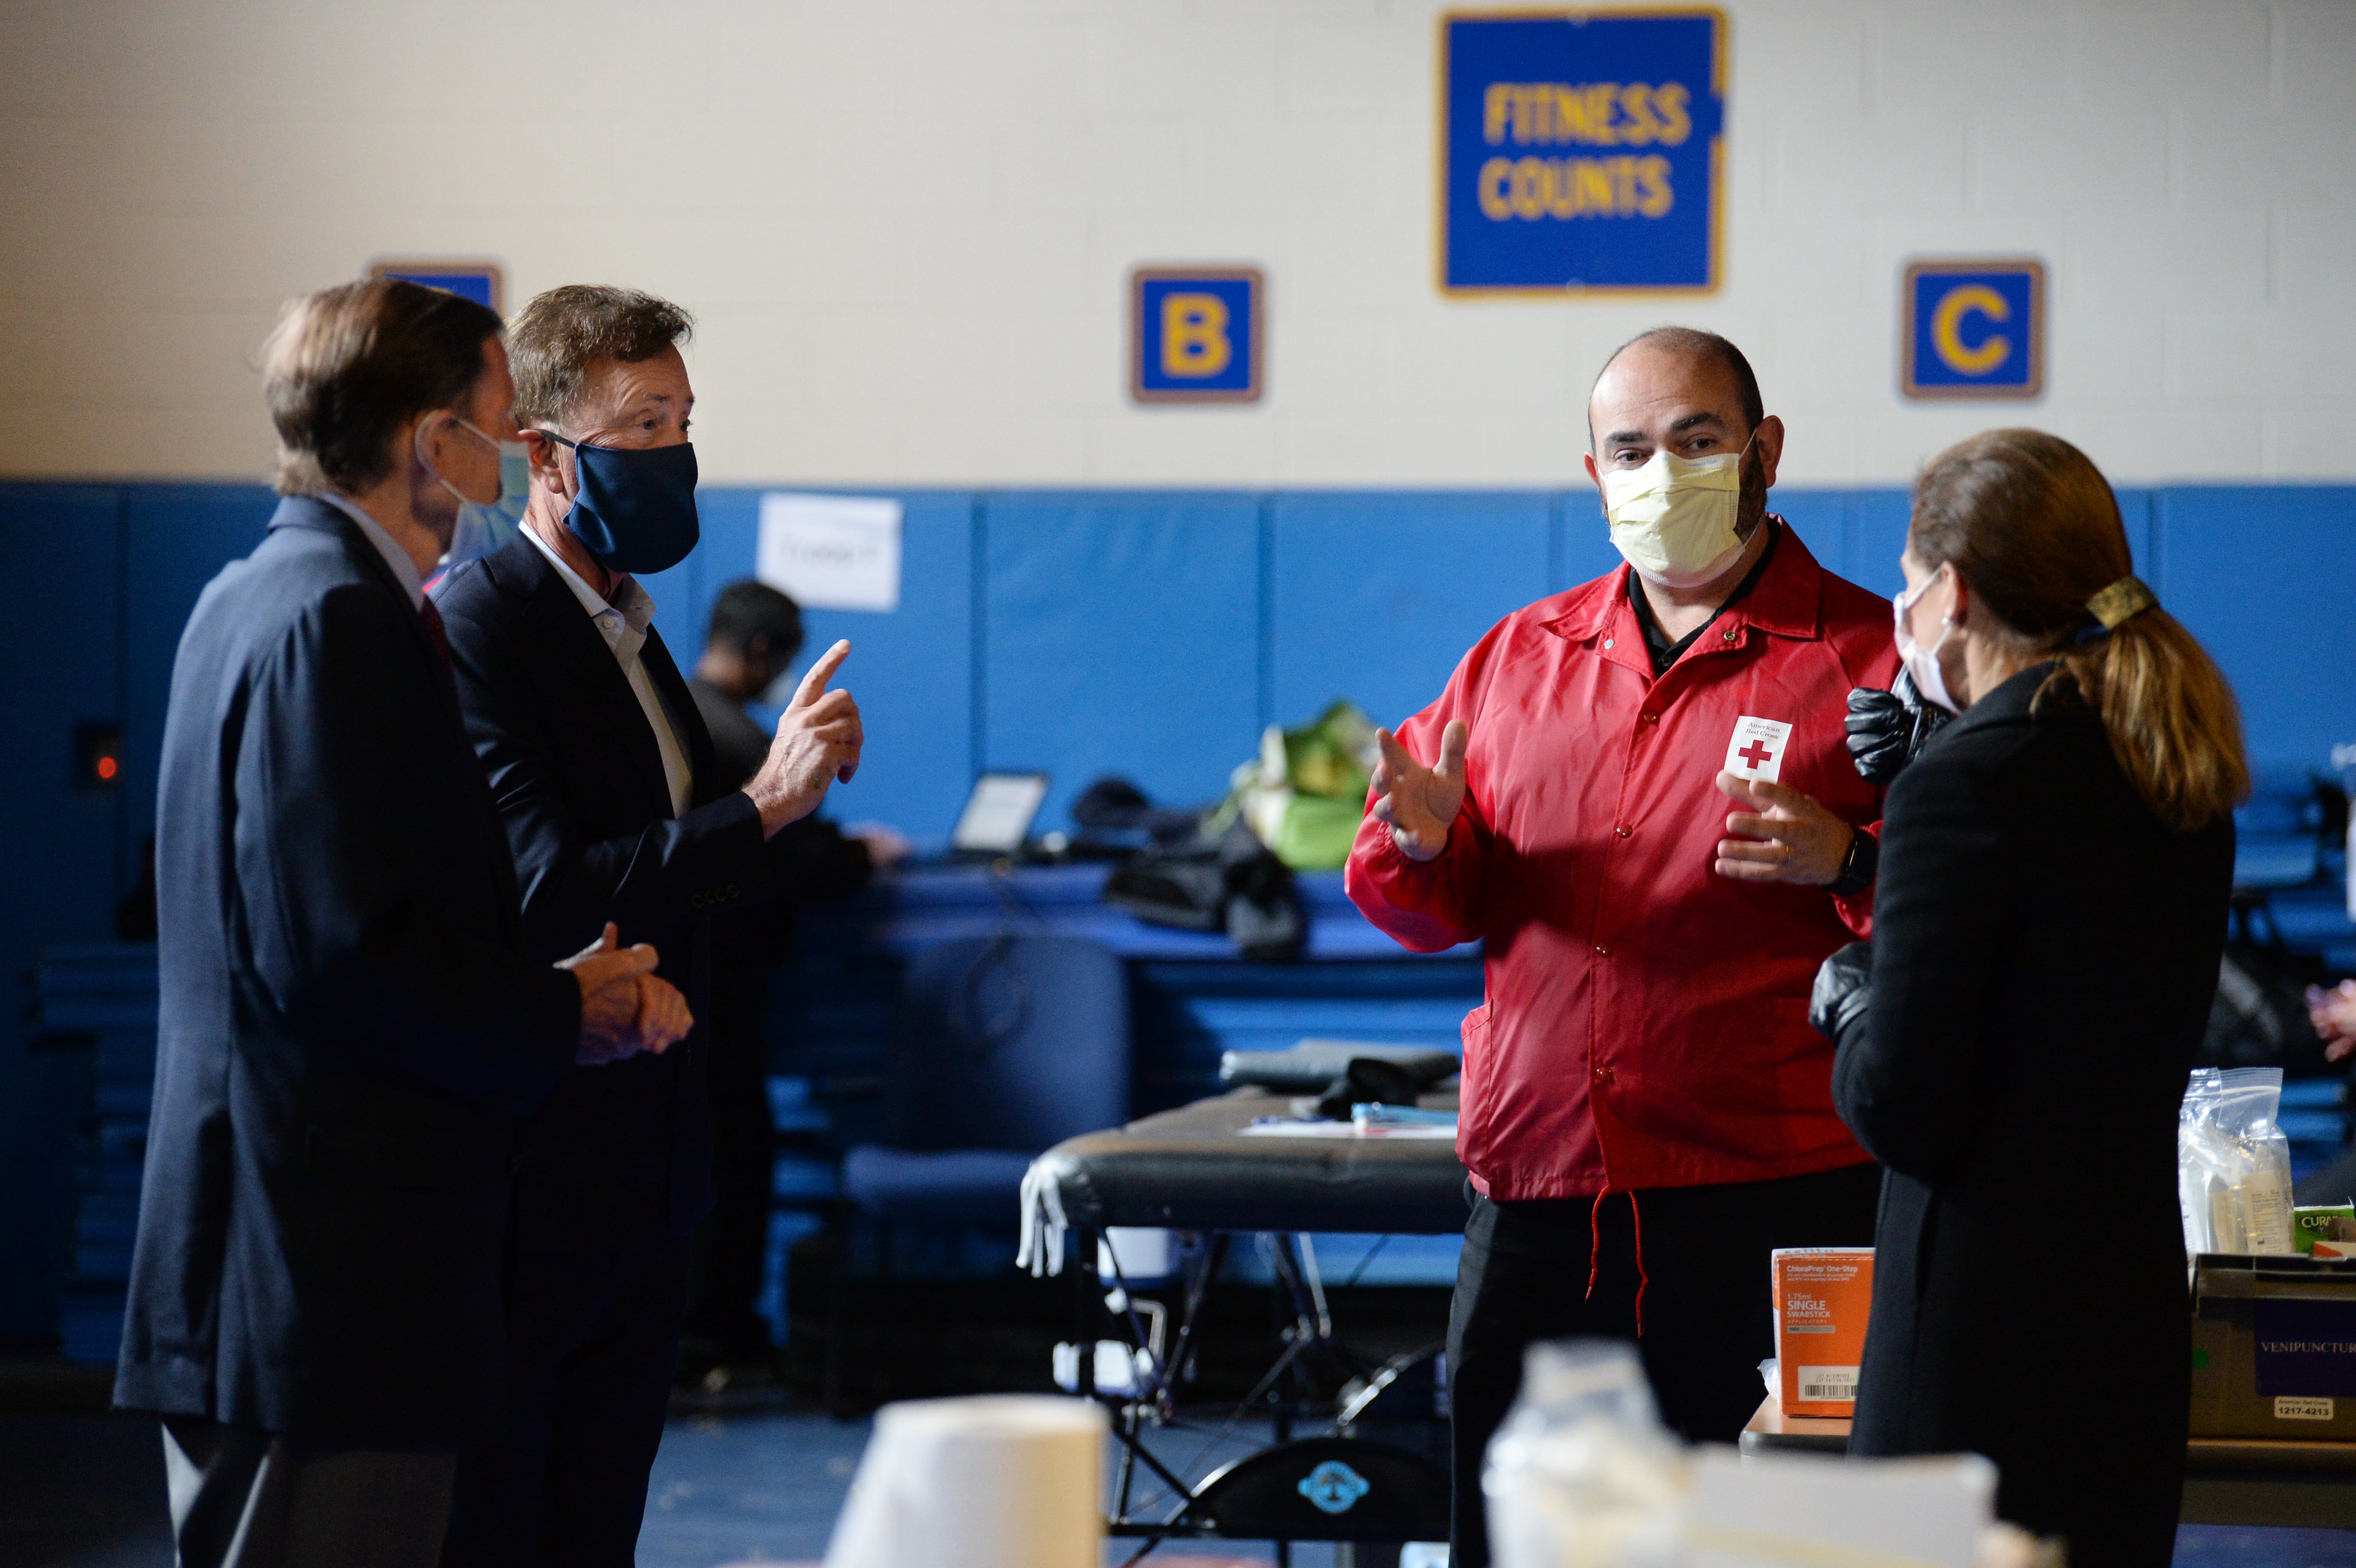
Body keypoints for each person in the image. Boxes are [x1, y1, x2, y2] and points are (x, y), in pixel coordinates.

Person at [114, 278, 692, 1568]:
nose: (508, 456)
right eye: (494, 421)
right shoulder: (342, 618)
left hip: (283, 1259)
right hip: (323, 1275)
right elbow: (347, 960)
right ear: (432, 439)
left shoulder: (249, 595)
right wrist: (565, 1007)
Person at [1346, 327, 1897, 1568]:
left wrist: (1853, 861)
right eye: (1632, 449)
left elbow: (1973, 922)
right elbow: (1420, 908)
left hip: (1770, 1193)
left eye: (1697, 440)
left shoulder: (1872, 664)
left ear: (1765, 452)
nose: (1662, 471)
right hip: (1541, 1194)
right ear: (1595, 476)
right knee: (1520, 1540)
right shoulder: (1517, 659)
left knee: (1768, 1549)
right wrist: (1420, 846)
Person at [430, 285, 865, 1567]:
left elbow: (686, 882)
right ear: (546, 452)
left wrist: (774, 820)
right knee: (509, 1520)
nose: (674, 451)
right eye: (642, 424)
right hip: (545, 1171)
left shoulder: (631, 629)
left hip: (655, 1167)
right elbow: (551, 891)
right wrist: (763, 807)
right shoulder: (484, 621)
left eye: (683, 420)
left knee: (600, 1522)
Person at [1812, 430, 2245, 1568]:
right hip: (2126, 1312)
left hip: (1977, 1331)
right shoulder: (2169, 756)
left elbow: (1902, 1104)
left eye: (1909, 582)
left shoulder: (1963, 783)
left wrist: (1849, 999)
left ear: (1951, 591)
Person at [678, 580, 894, 1389]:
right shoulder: (739, 738)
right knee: (733, 1155)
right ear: (765, 652)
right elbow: (790, 855)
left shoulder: (677, 715)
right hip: (722, 983)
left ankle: (703, 1334)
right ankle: (716, 1336)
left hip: (684, 974)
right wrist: (858, 856)